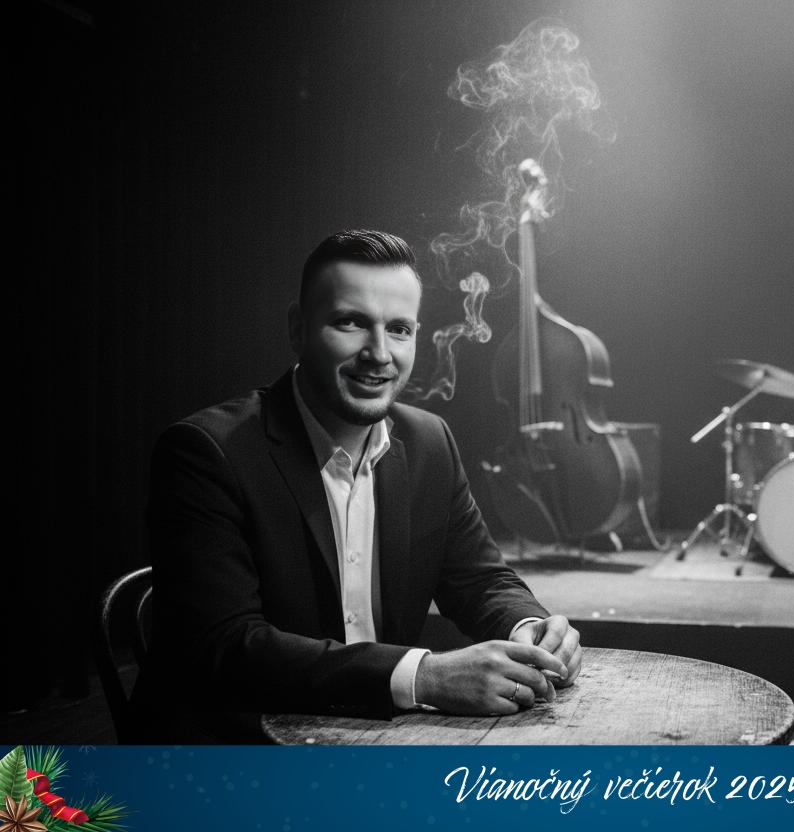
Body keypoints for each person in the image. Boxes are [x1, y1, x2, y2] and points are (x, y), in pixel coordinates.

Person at [129, 229, 581, 742]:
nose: (379, 353)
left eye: (399, 329)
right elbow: (227, 646)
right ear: (298, 329)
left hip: (368, 736)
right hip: (226, 752)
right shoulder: (205, 451)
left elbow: (480, 579)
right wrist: (423, 675)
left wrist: (530, 628)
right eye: (351, 322)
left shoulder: (430, 441)